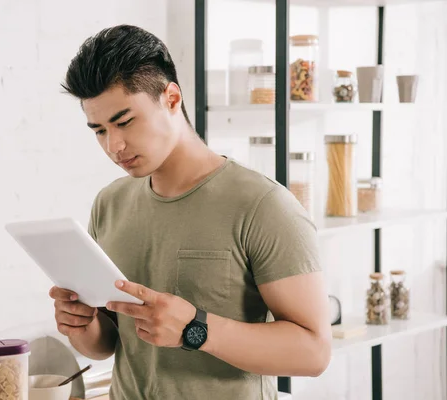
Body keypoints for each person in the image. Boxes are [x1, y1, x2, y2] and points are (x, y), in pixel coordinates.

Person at [49, 24, 331, 400]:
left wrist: (195, 329)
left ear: (171, 98)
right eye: (99, 130)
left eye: (124, 121)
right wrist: (82, 326)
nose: (114, 145)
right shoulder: (109, 204)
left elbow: (313, 353)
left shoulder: (263, 205)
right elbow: (111, 344)